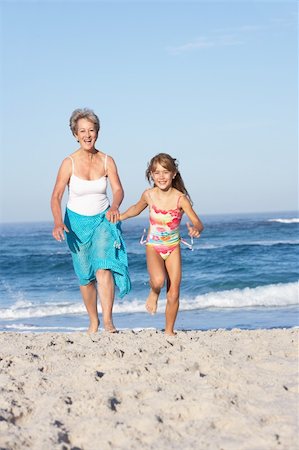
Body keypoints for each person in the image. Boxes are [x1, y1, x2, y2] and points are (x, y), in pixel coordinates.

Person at [51, 108, 131, 334]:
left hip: (103, 219)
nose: (87, 135)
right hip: (75, 223)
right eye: (82, 131)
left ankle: (108, 321)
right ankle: (93, 320)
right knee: (85, 275)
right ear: (75, 134)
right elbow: (56, 195)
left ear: (98, 132)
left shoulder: (107, 160)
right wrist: (58, 222)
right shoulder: (69, 162)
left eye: (91, 130)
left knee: (103, 267)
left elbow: (118, 189)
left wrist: (115, 206)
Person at [120, 153, 204, 335]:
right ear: (151, 174)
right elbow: (135, 208)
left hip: (173, 247)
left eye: (165, 172)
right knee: (158, 280)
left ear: (174, 174)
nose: (161, 176)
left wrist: (196, 229)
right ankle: (154, 292)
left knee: (174, 292)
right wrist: (120, 216)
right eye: (156, 172)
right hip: (154, 246)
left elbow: (198, 222)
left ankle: (169, 331)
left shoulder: (181, 198)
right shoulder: (149, 195)